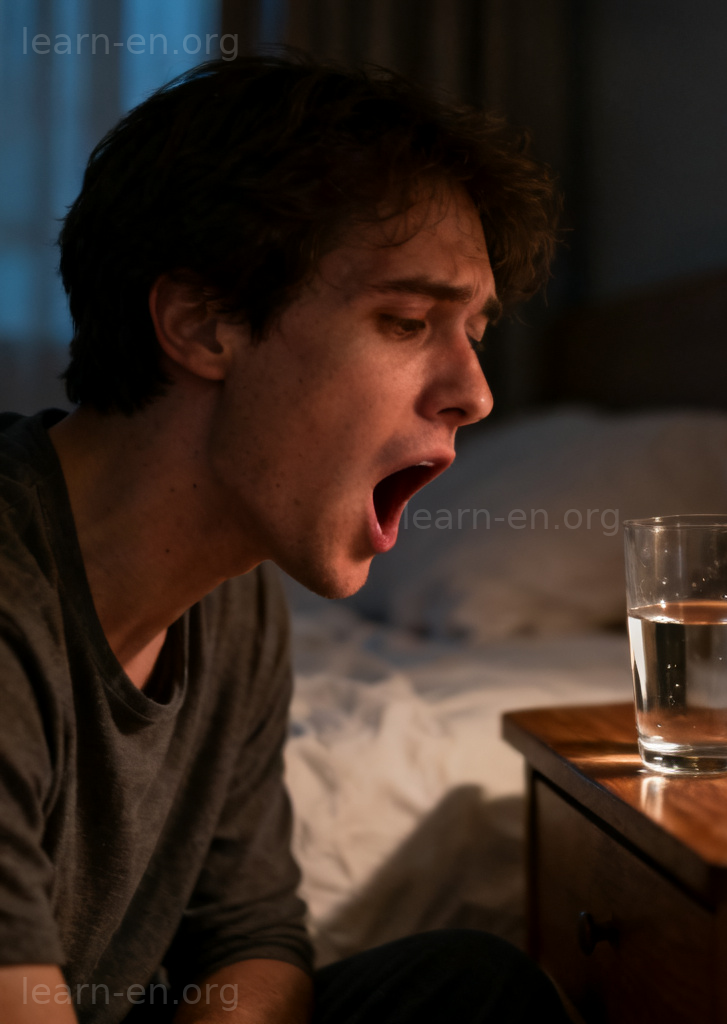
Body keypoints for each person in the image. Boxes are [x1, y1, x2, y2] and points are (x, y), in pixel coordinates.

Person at [0, 55, 566, 1023]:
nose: (474, 392)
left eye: (471, 331)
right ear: (204, 324)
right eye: (406, 319)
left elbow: (250, 930)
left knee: (469, 986)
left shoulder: (232, 591)